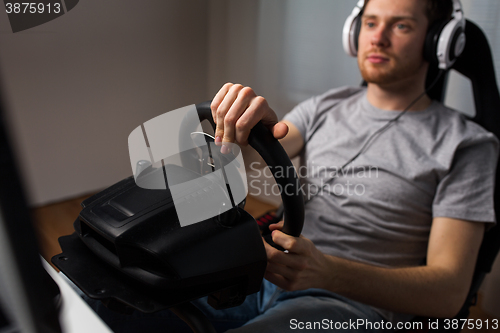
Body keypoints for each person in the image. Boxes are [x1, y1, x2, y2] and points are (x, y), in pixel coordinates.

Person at [86, 0, 498, 332]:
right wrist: (237, 133)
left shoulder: (467, 145)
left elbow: (449, 292)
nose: (380, 37)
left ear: (438, 42)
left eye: (402, 25)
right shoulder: (325, 106)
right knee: (107, 292)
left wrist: (329, 274)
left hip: (350, 305)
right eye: (371, 22)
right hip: (260, 272)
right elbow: (251, 163)